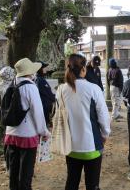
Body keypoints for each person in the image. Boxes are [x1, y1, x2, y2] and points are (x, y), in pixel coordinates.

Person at [62, 54, 110, 190]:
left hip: (70, 146)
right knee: (92, 184)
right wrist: (105, 134)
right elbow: (103, 116)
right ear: (83, 69)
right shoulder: (93, 89)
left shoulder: (62, 89)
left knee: (71, 181)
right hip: (92, 145)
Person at [4, 58, 50, 190]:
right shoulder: (30, 87)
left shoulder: (11, 84)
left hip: (11, 134)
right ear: (30, 72)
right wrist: (44, 132)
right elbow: (38, 113)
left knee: (13, 172)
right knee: (25, 174)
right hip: (27, 136)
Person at [35, 61, 55, 127]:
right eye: (44, 67)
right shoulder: (40, 80)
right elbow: (48, 93)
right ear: (39, 69)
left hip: (43, 107)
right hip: (44, 108)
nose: (46, 69)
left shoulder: (38, 79)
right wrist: (56, 98)